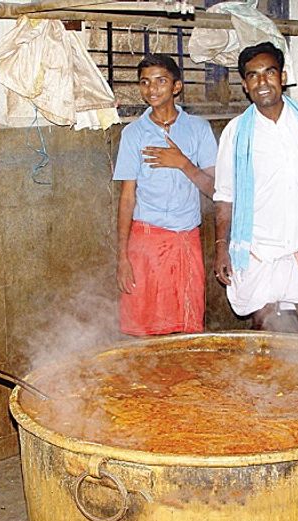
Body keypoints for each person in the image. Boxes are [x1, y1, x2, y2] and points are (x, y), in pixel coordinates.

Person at [213, 42, 298, 334]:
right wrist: (221, 247)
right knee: (265, 329)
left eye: (269, 72)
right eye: (253, 75)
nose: (262, 82)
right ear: (245, 85)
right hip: (259, 251)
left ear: (282, 77)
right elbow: (225, 197)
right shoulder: (236, 133)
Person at [114, 54, 217, 335]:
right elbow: (127, 198)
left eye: (161, 81)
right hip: (145, 242)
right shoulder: (133, 134)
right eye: (145, 82)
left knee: (186, 327)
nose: (152, 89)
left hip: (185, 240)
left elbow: (214, 189)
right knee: (144, 328)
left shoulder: (198, 129)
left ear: (177, 86)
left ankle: (183, 380)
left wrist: (183, 163)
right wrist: (123, 258)